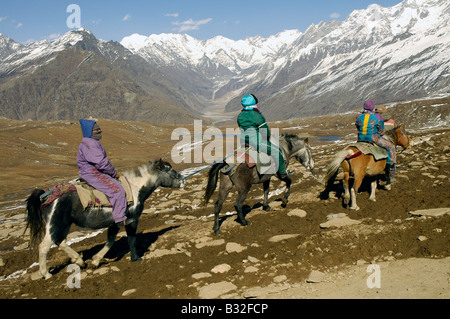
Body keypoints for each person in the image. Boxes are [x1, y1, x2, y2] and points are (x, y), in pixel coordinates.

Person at [77, 119, 134, 226]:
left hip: (90, 171)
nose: (99, 132)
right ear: (89, 131)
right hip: (93, 173)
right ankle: (120, 219)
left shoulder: (88, 141)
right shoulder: (91, 144)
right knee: (118, 191)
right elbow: (101, 163)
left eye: (99, 129)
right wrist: (114, 173)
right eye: (96, 130)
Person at [237, 94, 288, 179]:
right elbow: (265, 131)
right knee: (277, 151)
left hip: (244, 142)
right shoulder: (256, 115)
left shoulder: (240, 115)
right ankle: (283, 173)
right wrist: (266, 139)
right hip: (256, 142)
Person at [356, 100, 396, 180]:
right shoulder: (377, 116)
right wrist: (380, 134)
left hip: (360, 138)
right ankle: (390, 167)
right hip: (373, 138)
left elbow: (358, 127)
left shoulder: (359, 116)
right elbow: (381, 130)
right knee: (391, 147)